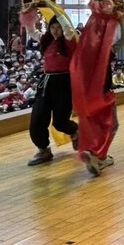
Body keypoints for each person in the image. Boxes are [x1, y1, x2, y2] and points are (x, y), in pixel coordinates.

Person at [70, 0, 124, 177]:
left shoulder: (84, 50)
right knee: (112, 124)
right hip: (103, 90)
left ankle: (94, 152)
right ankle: (98, 155)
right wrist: (120, 17)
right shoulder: (107, 52)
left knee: (94, 123)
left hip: (87, 94)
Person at [27, 16, 79, 166]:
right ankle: (43, 149)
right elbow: (31, 31)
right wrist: (28, 13)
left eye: (59, 28)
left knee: (60, 122)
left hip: (63, 83)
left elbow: (68, 29)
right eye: (53, 28)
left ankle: (75, 131)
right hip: (46, 83)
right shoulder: (47, 41)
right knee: (37, 118)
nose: (56, 31)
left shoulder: (71, 41)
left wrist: (53, 6)